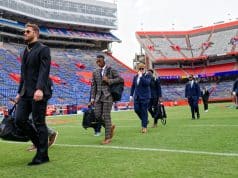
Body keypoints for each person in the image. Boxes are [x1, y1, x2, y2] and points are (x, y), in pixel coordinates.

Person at [15, 23, 52, 165]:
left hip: (38, 92)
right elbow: (23, 74)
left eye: (27, 31)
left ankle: (42, 155)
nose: (24, 33)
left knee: (39, 122)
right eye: (24, 31)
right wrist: (19, 92)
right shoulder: (24, 51)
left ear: (35, 33)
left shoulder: (44, 49)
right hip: (25, 93)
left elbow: (44, 71)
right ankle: (40, 145)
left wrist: (40, 89)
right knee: (20, 120)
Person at [90, 55, 121, 144]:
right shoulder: (95, 72)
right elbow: (93, 86)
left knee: (107, 116)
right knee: (97, 115)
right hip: (98, 97)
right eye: (97, 61)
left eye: (99, 61)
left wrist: (109, 80)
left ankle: (107, 138)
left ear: (104, 61)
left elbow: (120, 79)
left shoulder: (111, 70)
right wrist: (92, 98)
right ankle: (110, 127)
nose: (98, 62)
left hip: (108, 96)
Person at [130, 63, 152, 133]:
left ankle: (144, 127)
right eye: (140, 69)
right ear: (137, 69)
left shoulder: (148, 75)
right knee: (136, 110)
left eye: (142, 69)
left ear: (144, 69)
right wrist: (131, 95)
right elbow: (133, 86)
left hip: (145, 97)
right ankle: (145, 121)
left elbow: (147, 83)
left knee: (144, 111)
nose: (141, 70)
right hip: (137, 97)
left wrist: (141, 76)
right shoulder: (135, 76)